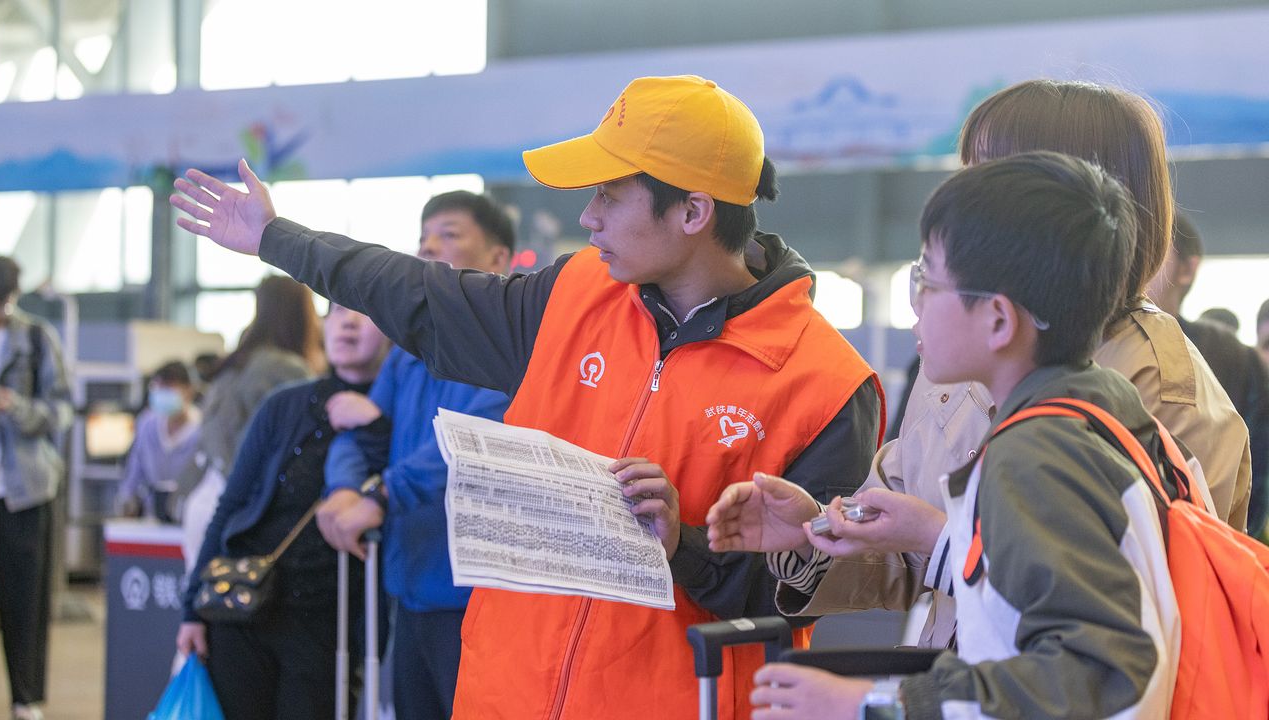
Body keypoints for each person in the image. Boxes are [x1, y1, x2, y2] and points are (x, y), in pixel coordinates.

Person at [171, 74, 884, 720]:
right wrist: (278, 239)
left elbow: (804, 593)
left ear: (693, 211)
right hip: (504, 696)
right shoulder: (573, 296)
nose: (589, 217)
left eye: (609, 195)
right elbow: (420, 296)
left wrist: (684, 544)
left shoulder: (825, 383)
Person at [758, 152, 1180, 718]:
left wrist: (877, 702)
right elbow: (1030, 593)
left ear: (998, 320)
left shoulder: (1036, 455)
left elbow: (1094, 673)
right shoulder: (1103, 412)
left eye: (927, 281)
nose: (916, 305)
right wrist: (934, 537)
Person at [316, 190, 515, 720]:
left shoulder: (510, 349)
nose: (427, 248)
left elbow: (469, 442)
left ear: (499, 258)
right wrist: (343, 488)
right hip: (408, 587)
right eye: (423, 237)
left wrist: (383, 494)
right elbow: (361, 432)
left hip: (477, 597)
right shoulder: (409, 351)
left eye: (448, 235)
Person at [175, 303, 389, 720]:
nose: (348, 321)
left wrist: (376, 427)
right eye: (337, 310)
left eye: (365, 311)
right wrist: (191, 611)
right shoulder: (284, 405)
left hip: (330, 623)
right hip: (244, 607)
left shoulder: (397, 413)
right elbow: (232, 505)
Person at [180, 275, 325, 568]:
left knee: (205, 593)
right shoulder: (289, 371)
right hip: (241, 510)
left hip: (202, 501)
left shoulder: (233, 364)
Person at [1147, 212, 1269, 536]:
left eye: (1156, 247)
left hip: (1217, 539)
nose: (1140, 260)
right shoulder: (1099, 345)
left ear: (1187, 268)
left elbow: (1255, 462)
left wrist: (1234, 539)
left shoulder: (1230, 355)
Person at [0, 256, 72, 720]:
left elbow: (62, 410)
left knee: (24, 601)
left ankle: (26, 699)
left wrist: (15, 407)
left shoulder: (37, 339)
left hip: (22, 490)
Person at [114, 360, 202, 519]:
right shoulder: (147, 424)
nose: (162, 392)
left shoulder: (202, 429)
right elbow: (135, 468)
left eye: (168, 387)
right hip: (153, 515)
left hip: (191, 514)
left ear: (189, 391)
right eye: (158, 387)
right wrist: (127, 499)